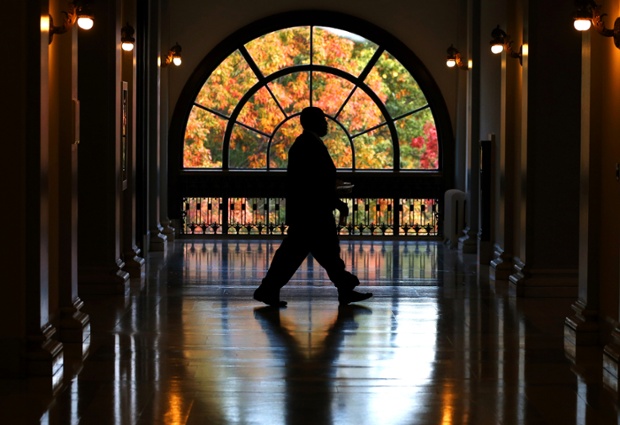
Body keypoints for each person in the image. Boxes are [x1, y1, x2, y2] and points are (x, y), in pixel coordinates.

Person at [253, 106, 373, 307]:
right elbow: (316, 183)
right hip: (313, 212)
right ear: (315, 122)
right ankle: (343, 287)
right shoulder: (310, 146)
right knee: (319, 252)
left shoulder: (303, 145)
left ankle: (268, 290)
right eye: (323, 120)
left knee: (305, 253)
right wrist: (337, 202)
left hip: (307, 211)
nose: (326, 123)